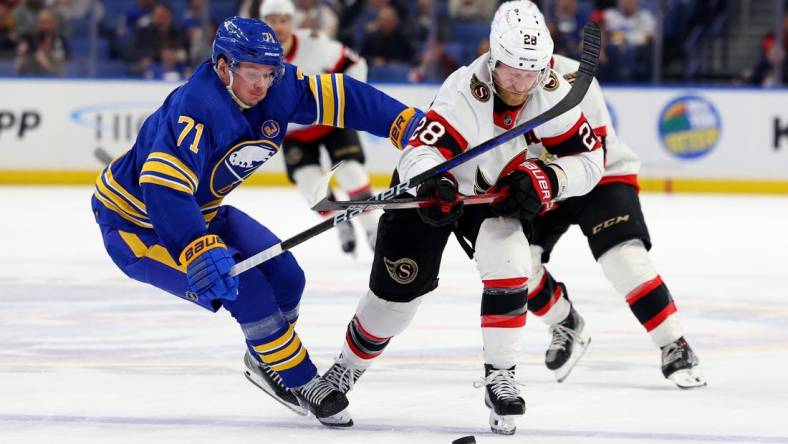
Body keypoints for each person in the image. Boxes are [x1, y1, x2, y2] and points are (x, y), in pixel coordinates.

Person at [90, 16, 422, 428]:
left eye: (270, 73)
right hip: (139, 228)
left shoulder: (276, 87)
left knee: (287, 279)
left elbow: (341, 95)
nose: (263, 85)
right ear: (224, 66)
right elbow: (163, 188)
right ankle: (302, 379)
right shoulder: (197, 108)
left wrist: (402, 122)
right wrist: (195, 246)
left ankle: (264, 357)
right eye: (253, 74)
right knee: (246, 291)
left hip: (204, 213)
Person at [322, 1, 603, 435]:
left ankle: (501, 376)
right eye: (513, 71)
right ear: (493, 56)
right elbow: (421, 150)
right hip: (436, 192)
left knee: (512, 264)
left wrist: (549, 177)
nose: (521, 84)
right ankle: (344, 370)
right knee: (392, 303)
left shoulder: (551, 91)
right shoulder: (462, 91)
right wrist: (432, 183)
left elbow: (589, 160)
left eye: (532, 72)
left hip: (494, 194)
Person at [513, 2, 706, 390]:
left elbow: (590, 156)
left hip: (599, 173)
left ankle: (674, 343)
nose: (521, 73)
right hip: (541, 182)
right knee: (516, 265)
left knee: (623, 258)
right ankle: (565, 324)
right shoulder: (485, 89)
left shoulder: (573, 77)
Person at [261, 0, 380, 256]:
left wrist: (348, 99)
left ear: (291, 22)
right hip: (294, 134)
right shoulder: (254, 56)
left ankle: (373, 228)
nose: (278, 26)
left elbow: (355, 63)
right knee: (311, 187)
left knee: (352, 174)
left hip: (332, 122)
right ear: (263, 23)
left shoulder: (315, 44)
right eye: (272, 20)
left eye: (283, 20)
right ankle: (340, 222)